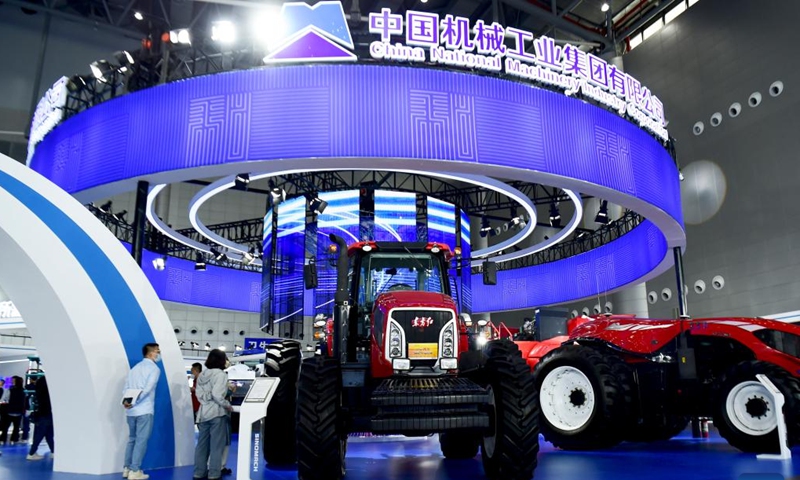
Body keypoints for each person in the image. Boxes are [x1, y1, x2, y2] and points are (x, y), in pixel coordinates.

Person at [122, 343, 161, 480]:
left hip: (130, 411)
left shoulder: (135, 368)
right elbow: (148, 389)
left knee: (132, 440)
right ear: (151, 353)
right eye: (157, 351)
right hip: (144, 410)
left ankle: (126, 468)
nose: (158, 354)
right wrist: (135, 402)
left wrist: (127, 402)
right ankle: (135, 470)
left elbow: (126, 387)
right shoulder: (154, 369)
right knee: (141, 441)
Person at [193, 349, 232, 480]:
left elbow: (199, 395)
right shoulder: (221, 374)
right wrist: (227, 405)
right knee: (216, 446)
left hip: (203, 414)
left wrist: (207, 397)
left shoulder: (202, 375)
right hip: (217, 414)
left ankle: (199, 472)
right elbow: (217, 395)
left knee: (201, 446)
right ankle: (214, 474)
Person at [27, 375, 54, 460]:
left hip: (42, 414)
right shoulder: (47, 392)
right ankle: (31, 453)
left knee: (47, 434)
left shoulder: (39, 390)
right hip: (46, 414)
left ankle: (53, 452)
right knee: (42, 435)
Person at [0, 377, 24, 445]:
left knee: (6, 426)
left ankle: (3, 439)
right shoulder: (23, 390)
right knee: (16, 427)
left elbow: (5, 399)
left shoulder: (10, 390)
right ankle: (14, 439)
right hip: (18, 411)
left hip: (10, 410)